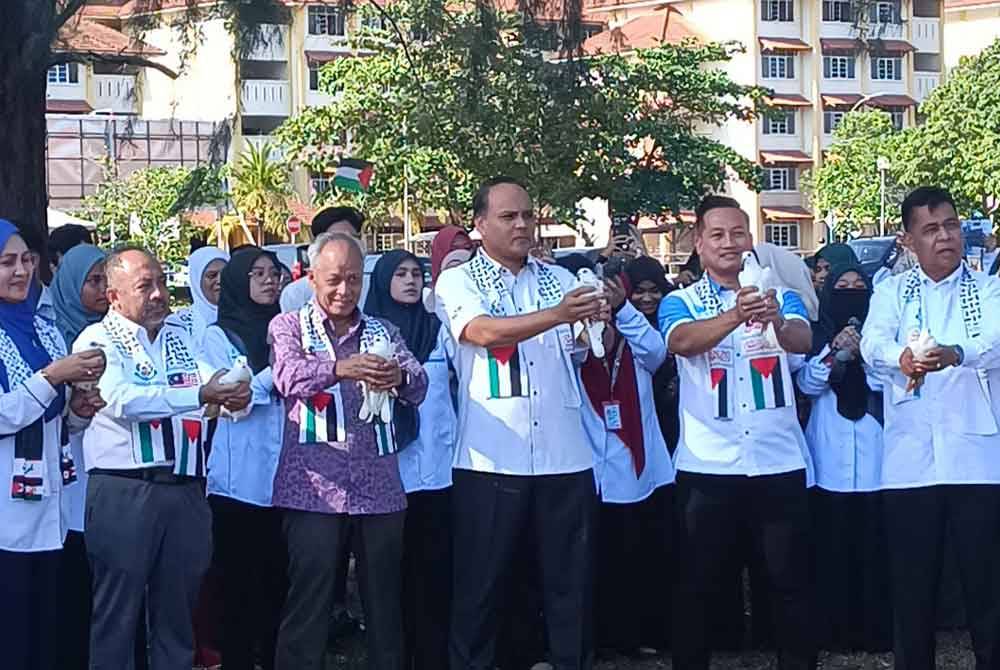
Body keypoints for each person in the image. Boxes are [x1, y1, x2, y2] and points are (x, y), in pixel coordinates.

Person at [434, 177, 608, 670]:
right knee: (480, 587)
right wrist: (558, 315)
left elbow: (586, 347)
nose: (523, 225)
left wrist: (596, 317)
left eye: (528, 215)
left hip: (563, 451)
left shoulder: (557, 277)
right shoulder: (459, 279)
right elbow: (481, 331)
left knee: (569, 585)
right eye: (509, 217)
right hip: (491, 454)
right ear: (479, 225)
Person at [75, 246, 251, 670]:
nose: (158, 294)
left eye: (161, 283)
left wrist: (234, 392)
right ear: (114, 295)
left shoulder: (178, 335)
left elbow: (213, 381)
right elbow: (121, 400)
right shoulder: (99, 339)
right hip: (126, 490)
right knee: (118, 616)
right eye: (144, 286)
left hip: (185, 489)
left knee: (178, 614)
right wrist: (201, 395)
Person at [659, 195, 815, 670]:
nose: (730, 243)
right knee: (698, 586)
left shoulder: (777, 291)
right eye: (719, 235)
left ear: (751, 240)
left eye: (739, 233)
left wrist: (775, 320)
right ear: (700, 244)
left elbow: (803, 341)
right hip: (709, 465)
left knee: (790, 585)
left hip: (777, 460)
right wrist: (734, 315)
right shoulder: (680, 300)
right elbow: (680, 342)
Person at [269, 232, 428, 670]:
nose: (344, 291)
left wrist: (397, 376)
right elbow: (287, 377)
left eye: (354, 280)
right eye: (334, 279)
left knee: (383, 600)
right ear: (313, 276)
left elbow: (418, 384)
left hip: (378, 484)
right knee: (310, 598)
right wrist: (340, 368)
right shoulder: (289, 325)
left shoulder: (381, 329)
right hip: (313, 485)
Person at [860, 186, 1000, 670]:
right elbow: (872, 342)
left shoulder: (987, 287)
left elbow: (994, 339)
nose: (945, 237)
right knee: (913, 590)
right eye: (931, 229)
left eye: (951, 225)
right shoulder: (892, 291)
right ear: (907, 240)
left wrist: (956, 354)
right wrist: (896, 356)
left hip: (977, 459)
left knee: (987, 588)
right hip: (909, 461)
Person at [0, 221, 105, 670]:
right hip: (6, 511)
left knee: (49, 630)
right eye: (7, 262)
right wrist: (51, 378)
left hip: (52, 506)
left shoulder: (44, 329)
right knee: (12, 632)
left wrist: (81, 409)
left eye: (27, 260)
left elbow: (59, 425)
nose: (21, 271)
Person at [569, 254, 675, 656]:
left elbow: (657, 351)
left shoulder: (636, 346)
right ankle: (596, 638)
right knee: (592, 563)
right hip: (590, 469)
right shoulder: (577, 349)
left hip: (638, 469)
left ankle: (635, 635)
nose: (604, 326)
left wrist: (622, 309)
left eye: (607, 316)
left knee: (636, 559)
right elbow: (574, 351)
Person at [365, 249, 457, 670]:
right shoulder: (367, 333)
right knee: (391, 574)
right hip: (387, 473)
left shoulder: (438, 330)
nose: (409, 281)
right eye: (399, 274)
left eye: (416, 274)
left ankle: (434, 655)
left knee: (435, 569)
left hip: (438, 470)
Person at [201, 247, 287, 670]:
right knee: (238, 589)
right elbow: (236, 400)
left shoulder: (288, 330)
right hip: (238, 483)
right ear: (239, 282)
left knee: (278, 587)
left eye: (274, 272)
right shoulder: (217, 337)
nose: (269, 280)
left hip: (287, 480)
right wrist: (282, 370)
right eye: (257, 273)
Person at [798, 263, 890, 652]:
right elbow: (806, 383)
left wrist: (866, 352)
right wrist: (835, 353)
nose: (852, 292)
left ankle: (875, 630)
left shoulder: (885, 332)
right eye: (843, 286)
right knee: (832, 548)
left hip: (876, 453)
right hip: (830, 454)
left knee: (874, 549)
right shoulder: (815, 332)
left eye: (859, 286)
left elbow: (891, 382)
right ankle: (833, 631)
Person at [49, 243, 109, 670]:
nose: (104, 290)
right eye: (93, 281)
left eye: (108, 280)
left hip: (107, 477)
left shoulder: (117, 333)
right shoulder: (53, 333)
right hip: (65, 475)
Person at [625, 256, 679, 451]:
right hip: (636, 415)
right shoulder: (622, 324)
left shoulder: (675, 319)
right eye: (639, 291)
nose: (647, 298)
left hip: (674, 416)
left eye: (654, 290)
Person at [280, 206, 366, 313]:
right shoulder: (296, 293)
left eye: (353, 237)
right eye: (339, 238)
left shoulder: (374, 284)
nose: (347, 245)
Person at [177, 246, 229, 352]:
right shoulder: (180, 324)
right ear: (196, 279)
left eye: (226, 274)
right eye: (212, 275)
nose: (220, 280)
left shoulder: (245, 316)